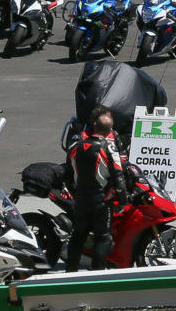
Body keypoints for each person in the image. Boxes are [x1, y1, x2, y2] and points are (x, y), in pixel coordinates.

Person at [65, 109, 123, 271]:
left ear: (94, 124)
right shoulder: (109, 147)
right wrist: (123, 200)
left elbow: (68, 174)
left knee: (78, 236)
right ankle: (97, 274)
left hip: (81, 200)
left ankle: (69, 272)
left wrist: (75, 194)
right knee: (102, 238)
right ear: (110, 129)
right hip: (101, 203)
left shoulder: (76, 145)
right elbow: (119, 178)